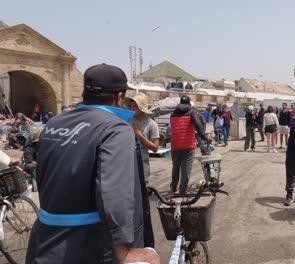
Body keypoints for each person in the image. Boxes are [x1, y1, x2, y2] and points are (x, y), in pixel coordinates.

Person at [26, 64, 160, 264]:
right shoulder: (115, 128)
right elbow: (114, 193)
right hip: (89, 245)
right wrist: (123, 252)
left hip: (44, 240)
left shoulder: (54, 124)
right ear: (119, 97)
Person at [170, 95, 210, 194]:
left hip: (175, 145)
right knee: (185, 169)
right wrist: (205, 137)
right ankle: (182, 191)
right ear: (188, 104)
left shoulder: (173, 113)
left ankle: (174, 188)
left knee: (175, 167)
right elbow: (199, 126)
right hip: (187, 145)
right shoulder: (191, 112)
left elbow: (174, 127)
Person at [128, 93, 160, 185]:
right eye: (131, 106)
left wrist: (140, 136)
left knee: (142, 188)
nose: (132, 108)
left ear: (141, 107)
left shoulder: (151, 124)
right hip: (127, 160)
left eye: (135, 106)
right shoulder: (127, 119)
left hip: (142, 160)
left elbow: (155, 148)